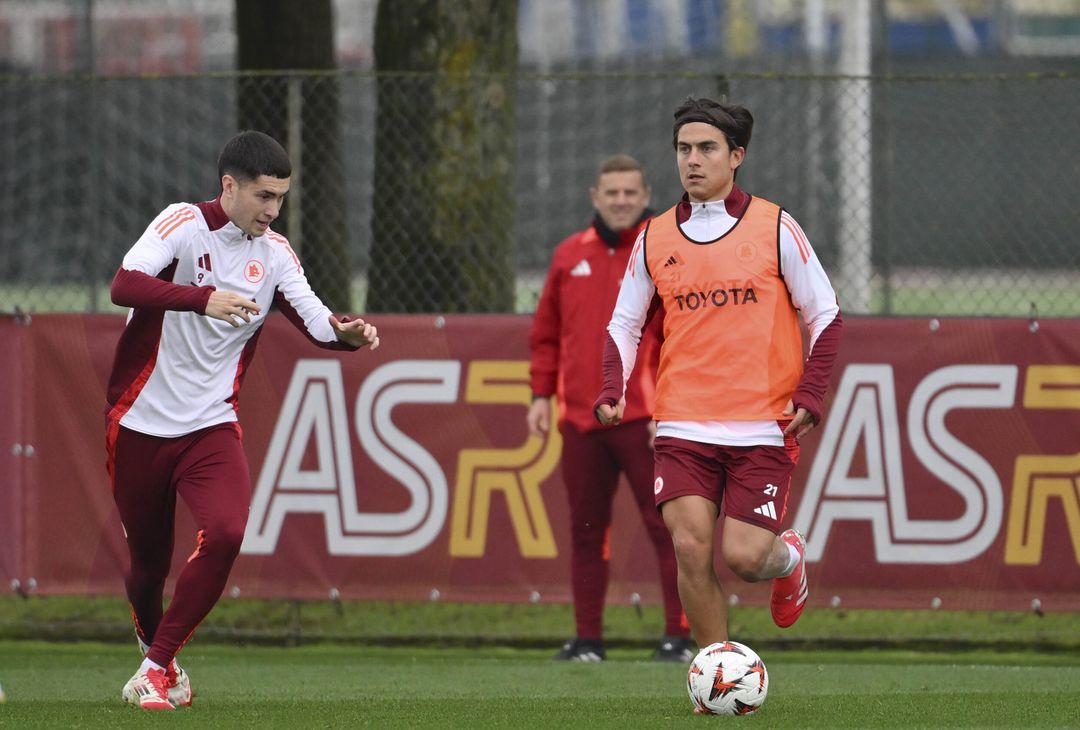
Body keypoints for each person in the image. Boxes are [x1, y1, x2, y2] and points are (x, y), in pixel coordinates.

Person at [104, 130, 380, 711]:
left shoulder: (275, 253)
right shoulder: (182, 223)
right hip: (139, 423)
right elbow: (124, 285)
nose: (273, 210)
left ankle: (152, 669)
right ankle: (162, 658)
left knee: (227, 531)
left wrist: (347, 335)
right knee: (148, 568)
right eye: (264, 196)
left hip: (210, 425)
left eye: (281, 197)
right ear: (229, 186)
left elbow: (317, 319)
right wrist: (200, 297)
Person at [594, 98, 843, 652]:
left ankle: (789, 559)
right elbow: (623, 324)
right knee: (689, 547)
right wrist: (613, 387)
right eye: (684, 149)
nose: (692, 160)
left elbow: (825, 314)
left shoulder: (775, 225)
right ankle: (713, 674)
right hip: (684, 421)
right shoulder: (654, 236)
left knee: (745, 557)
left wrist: (812, 389)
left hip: (764, 423)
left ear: (737, 156)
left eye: (707, 148)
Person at [528, 154, 693, 662]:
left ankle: (679, 636)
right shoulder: (566, 256)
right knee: (585, 531)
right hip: (580, 418)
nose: (621, 201)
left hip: (644, 418)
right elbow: (547, 336)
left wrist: (671, 405)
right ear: (594, 197)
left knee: (673, 529)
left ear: (645, 197)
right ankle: (587, 641)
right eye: (611, 192)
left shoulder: (666, 253)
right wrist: (540, 396)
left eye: (630, 192)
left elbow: (680, 339)